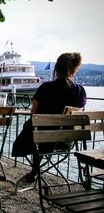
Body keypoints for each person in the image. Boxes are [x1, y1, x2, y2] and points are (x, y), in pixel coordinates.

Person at [12, 52, 87, 183]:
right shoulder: (80, 91)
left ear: (57, 69)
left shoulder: (46, 88)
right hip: (66, 141)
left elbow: (33, 113)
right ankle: (34, 171)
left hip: (42, 139)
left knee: (34, 131)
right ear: (74, 70)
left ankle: (34, 171)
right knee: (43, 135)